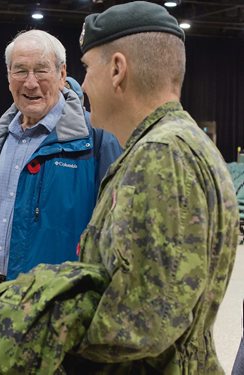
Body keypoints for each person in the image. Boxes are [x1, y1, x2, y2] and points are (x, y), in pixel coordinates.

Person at [66, 1, 239, 372]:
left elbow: (148, 319)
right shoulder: (181, 144)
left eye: (86, 68)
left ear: (116, 69)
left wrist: (36, 322)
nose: (82, 85)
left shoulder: (161, 155)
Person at [0, 30, 122, 290]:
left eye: (41, 70)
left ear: (62, 74)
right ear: (9, 77)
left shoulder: (97, 140)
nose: (30, 83)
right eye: (20, 71)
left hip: (53, 309)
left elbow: (116, 241)